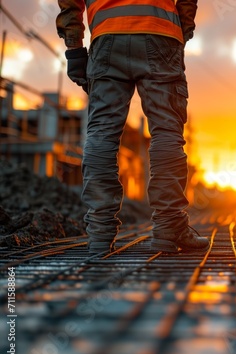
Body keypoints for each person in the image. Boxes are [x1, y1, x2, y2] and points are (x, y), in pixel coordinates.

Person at [56, 0, 209, 253]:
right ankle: (170, 226)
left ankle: (100, 233)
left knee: (101, 133)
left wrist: (74, 47)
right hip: (161, 32)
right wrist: (182, 29)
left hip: (107, 36)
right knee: (167, 132)